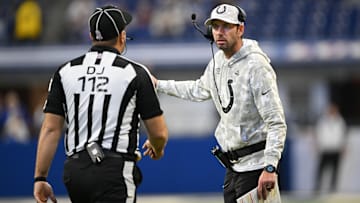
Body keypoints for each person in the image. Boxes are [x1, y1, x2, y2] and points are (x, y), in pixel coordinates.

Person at [33, 5, 168, 203]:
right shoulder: (134, 73)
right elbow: (159, 133)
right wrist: (158, 146)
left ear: (91, 36)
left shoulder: (64, 72)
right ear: (122, 36)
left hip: (75, 171)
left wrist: (40, 177)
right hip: (114, 170)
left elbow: (50, 129)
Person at [153, 3, 286, 202]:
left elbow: (276, 122)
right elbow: (198, 89)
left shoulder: (256, 65)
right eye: (215, 26)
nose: (219, 32)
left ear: (240, 29)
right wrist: (158, 85)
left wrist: (270, 167)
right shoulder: (218, 62)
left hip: (257, 167)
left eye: (226, 26)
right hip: (233, 168)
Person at [315, 102, 346, 193]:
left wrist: (342, 146)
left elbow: (342, 134)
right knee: (321, 170)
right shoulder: (323, 120)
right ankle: (318, 188)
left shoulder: (340, 121)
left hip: (336, 149)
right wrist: (318, 144)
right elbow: (318, 133)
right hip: (325, 149)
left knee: (335, 171)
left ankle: (332, 189)